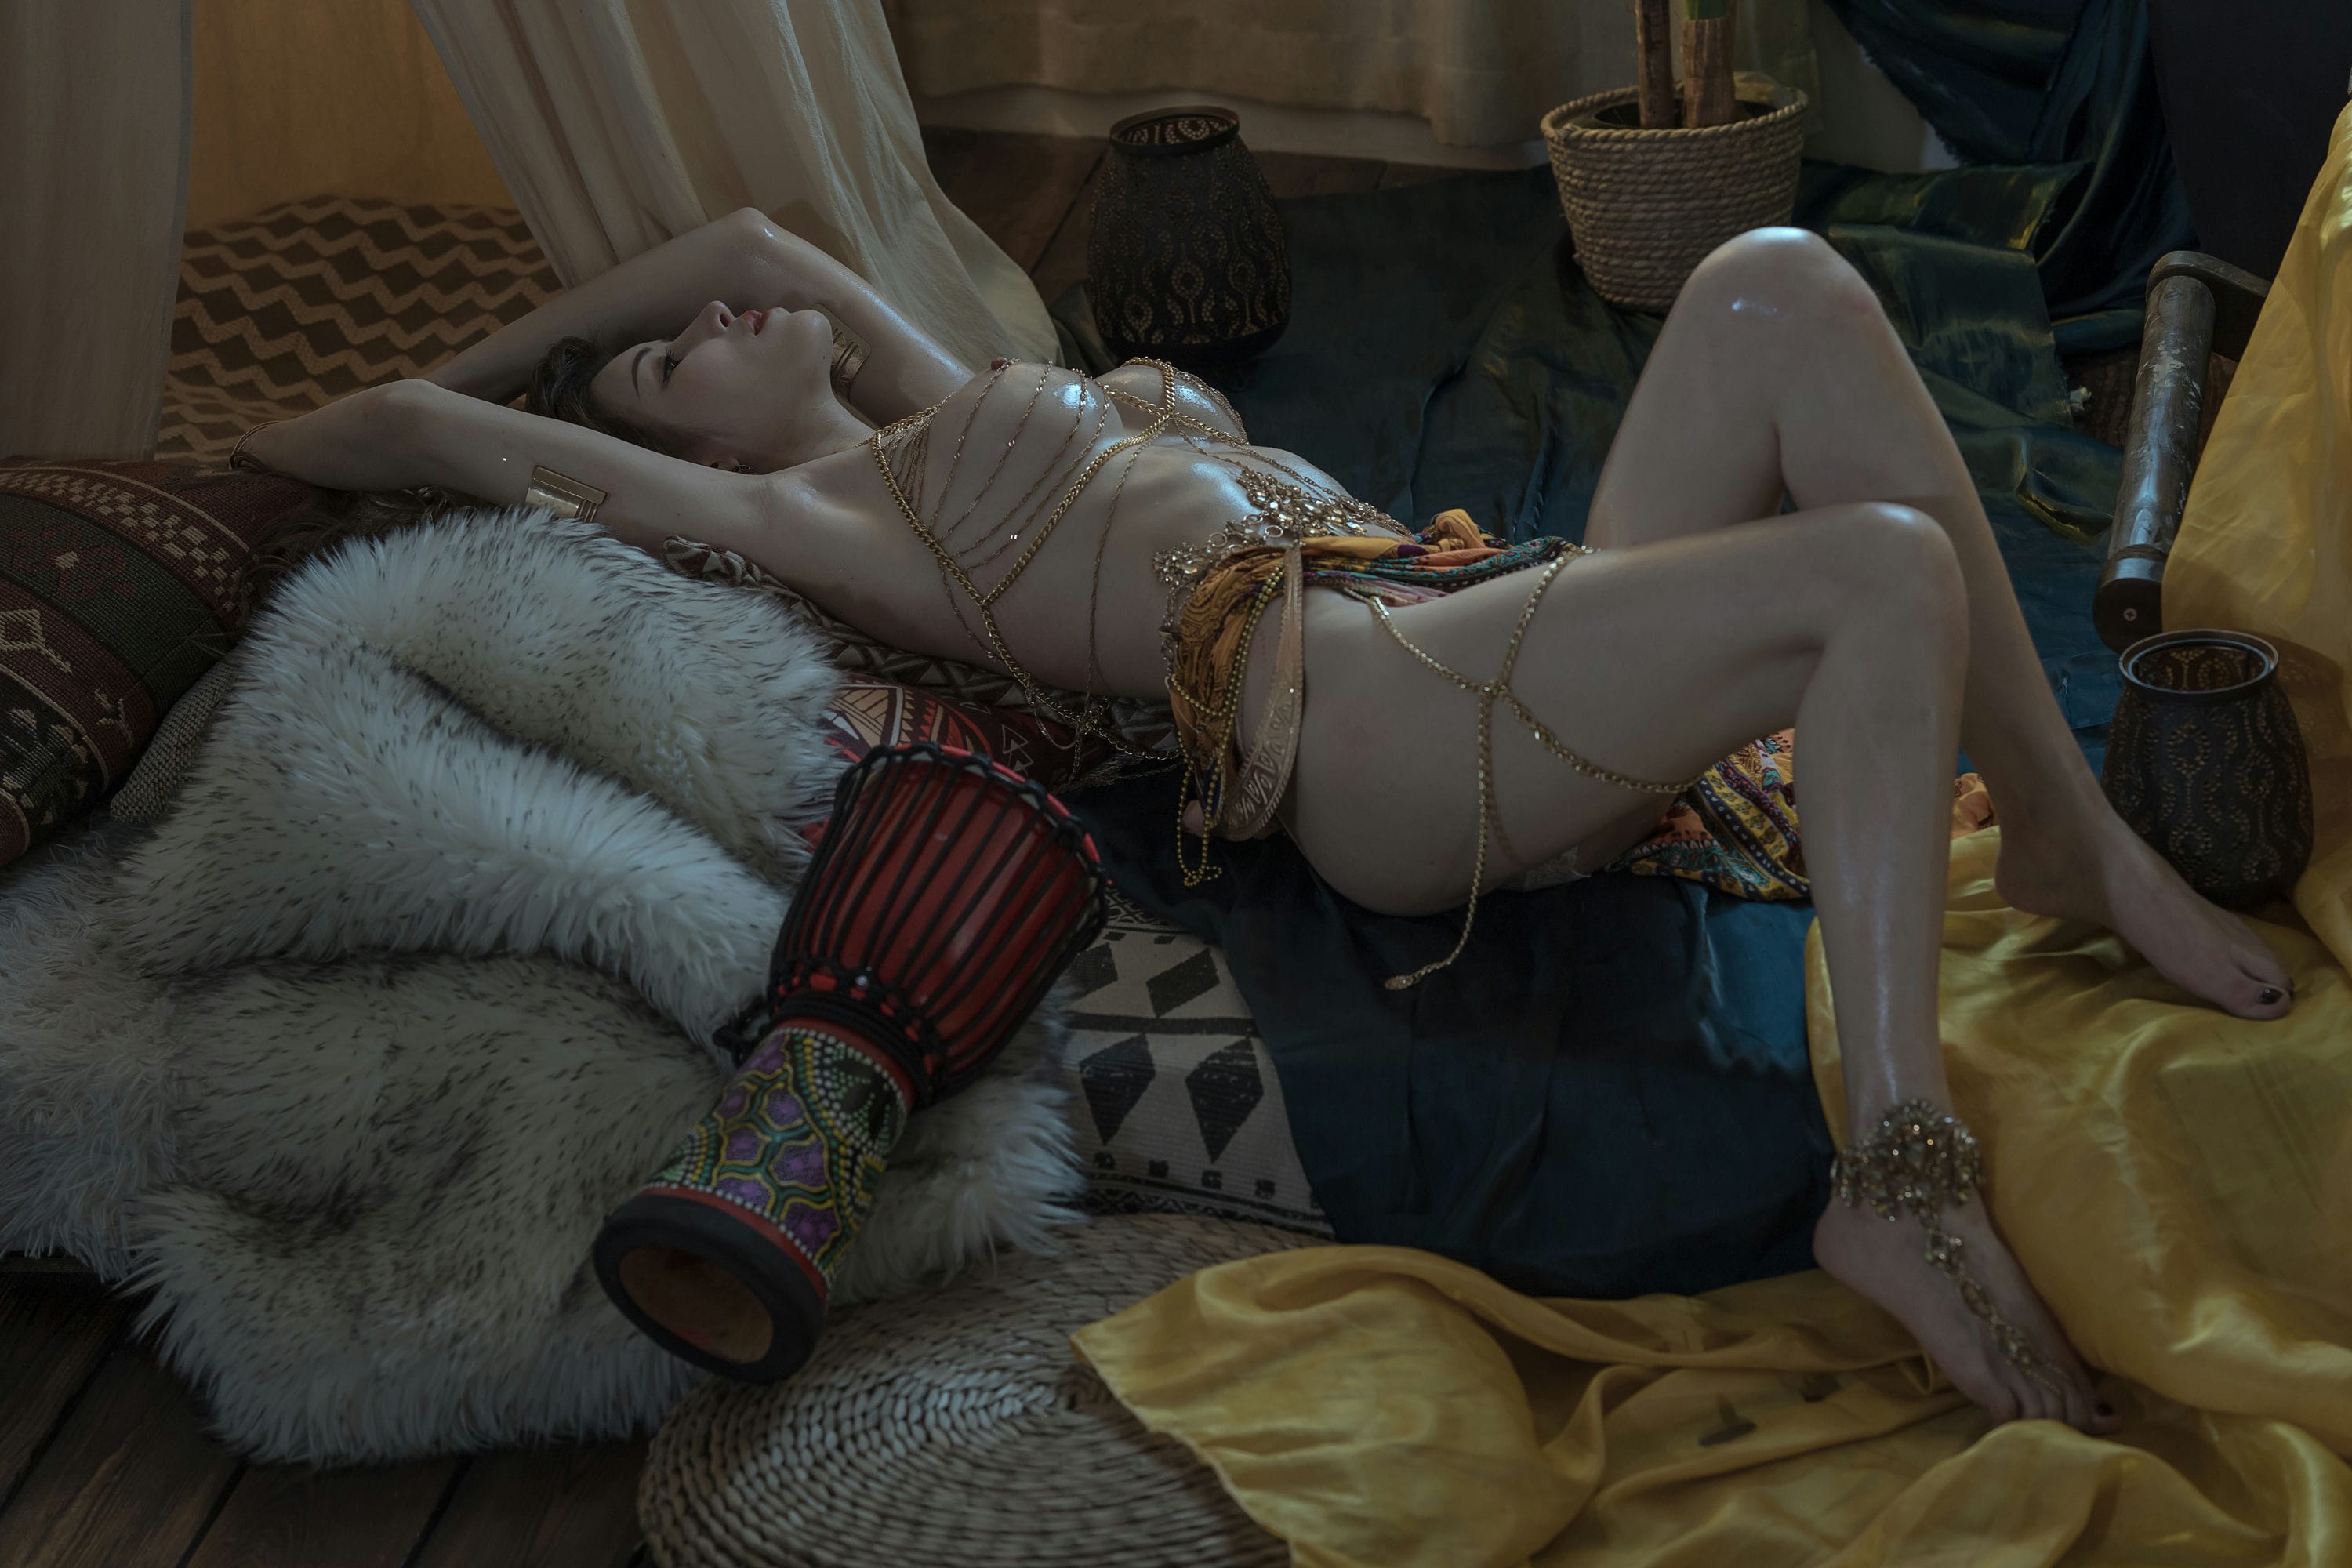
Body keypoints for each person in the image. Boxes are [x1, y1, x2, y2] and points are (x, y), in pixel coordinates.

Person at [245, 205, 2295, 1435]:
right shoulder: (803, 515)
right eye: (665, 366)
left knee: (1778, 284)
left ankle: (2066, 840)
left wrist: (635, 330)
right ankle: (1896, 1173)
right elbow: (413, 424)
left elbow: (754, 243)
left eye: (684, 327)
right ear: (661, 458)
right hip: (1377, 736)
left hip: (1460, 620)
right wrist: (254, 450)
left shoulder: (940, 400)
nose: (710, 323)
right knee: (1881, 575)